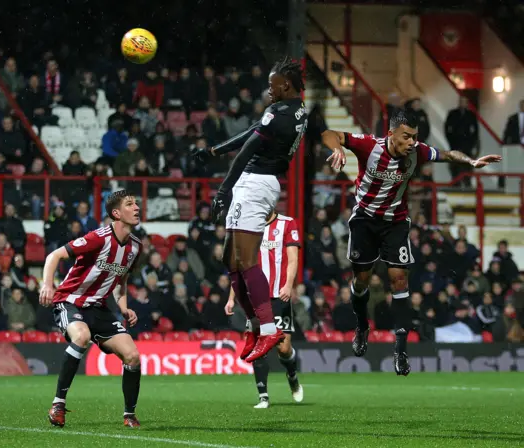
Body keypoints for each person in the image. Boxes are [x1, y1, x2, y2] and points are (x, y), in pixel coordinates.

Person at [321, 110, 501, 376]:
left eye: (415, 137)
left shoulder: (418, 151)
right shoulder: (369, 145)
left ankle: (401, 349)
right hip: (365, 220)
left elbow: (449, 154)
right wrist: (337, 148)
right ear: (391, 133)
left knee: (400, 280)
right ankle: (362, 326)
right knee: (361, 282)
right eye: (406, 136)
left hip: (395, 222)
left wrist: (472, 162)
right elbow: (329, 134)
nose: (411, 142)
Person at [191, 57, 307, 363]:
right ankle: (255, 328)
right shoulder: (294, 111)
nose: (268, 90)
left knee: (243, 259)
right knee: (230, 259)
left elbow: (246, 151)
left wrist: (223, 190)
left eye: (272, 85)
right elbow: (253, 133)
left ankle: (268, 329)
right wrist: (214, 150)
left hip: (254, 184)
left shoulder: (277, 112)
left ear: (286, 85)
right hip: (260, 184)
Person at [39, 190, 143, 428]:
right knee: (82, 336)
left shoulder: (136, 247)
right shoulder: (98, 237)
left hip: (99, 308)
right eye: (130, 204)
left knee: (133, 357)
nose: (136, 208)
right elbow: (54, 256)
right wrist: (47, 284)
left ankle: (129, 415)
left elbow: (121, 281)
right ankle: (58, 404)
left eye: (136, 203)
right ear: (116, 213)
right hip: (70, 301)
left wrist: (124, 308)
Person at [225, 211, 303, 408]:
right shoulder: (248, 225)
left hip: (279, 295)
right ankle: (263, 396)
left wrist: (288, 285)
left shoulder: (287, 223)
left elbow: (293, 258)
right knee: (259, 346)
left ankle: (292, 375)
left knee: (284, 348)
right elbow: (239, 265)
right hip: (255, 298)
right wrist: (232, 298)